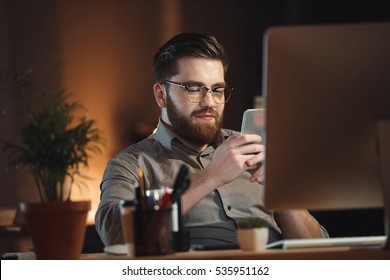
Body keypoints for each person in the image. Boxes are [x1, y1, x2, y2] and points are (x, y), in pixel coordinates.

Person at [95, 32, 328, 247]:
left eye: (217, 90)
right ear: (161, 95)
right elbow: (116, 235)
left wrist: (282, 193)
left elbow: (318, 251)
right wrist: (212, 176)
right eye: (193, 88)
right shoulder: (131, 164)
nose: (210, 102)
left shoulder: (254, 148)